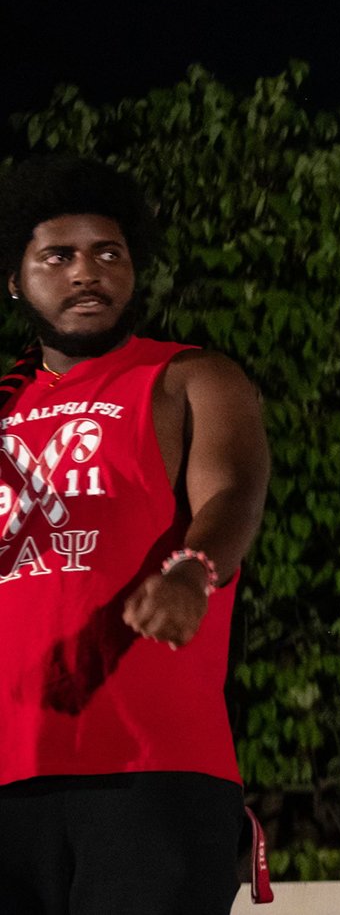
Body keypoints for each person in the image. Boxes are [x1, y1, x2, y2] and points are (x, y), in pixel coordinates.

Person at [0, 156, 270, 914]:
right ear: (15, 280)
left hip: (151, 768)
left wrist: (191, 571)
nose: (87, 272)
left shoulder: (189, 376)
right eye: (58, 256)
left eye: (108, 253)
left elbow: (234, 493)